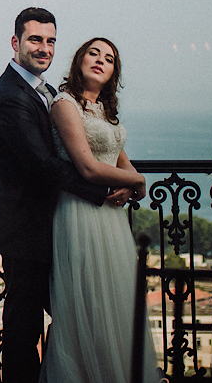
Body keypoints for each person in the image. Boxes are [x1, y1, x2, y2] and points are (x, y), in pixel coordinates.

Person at [0, 8, 134, 382]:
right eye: (35, 39)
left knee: (71, 314)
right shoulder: (11, 97)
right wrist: (104, 188)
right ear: (16, 42)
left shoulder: (44, 91)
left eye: (50, 41)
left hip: (50, 224)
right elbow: (44, 165)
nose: (44, 48)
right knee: (23, 325)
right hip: (24, 227)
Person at [41, 37, 155, 382]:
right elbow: (88, 168)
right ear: (79, 60)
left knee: (117, 302)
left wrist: (131, 181)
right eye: (93, 53)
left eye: (109, 58)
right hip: (81, 213)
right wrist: (139, 181)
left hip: (111, 218)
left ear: (113, 73)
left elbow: (119, 158)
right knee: (89, 304)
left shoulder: (104, 110)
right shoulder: (64, 104)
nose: (100, 60)